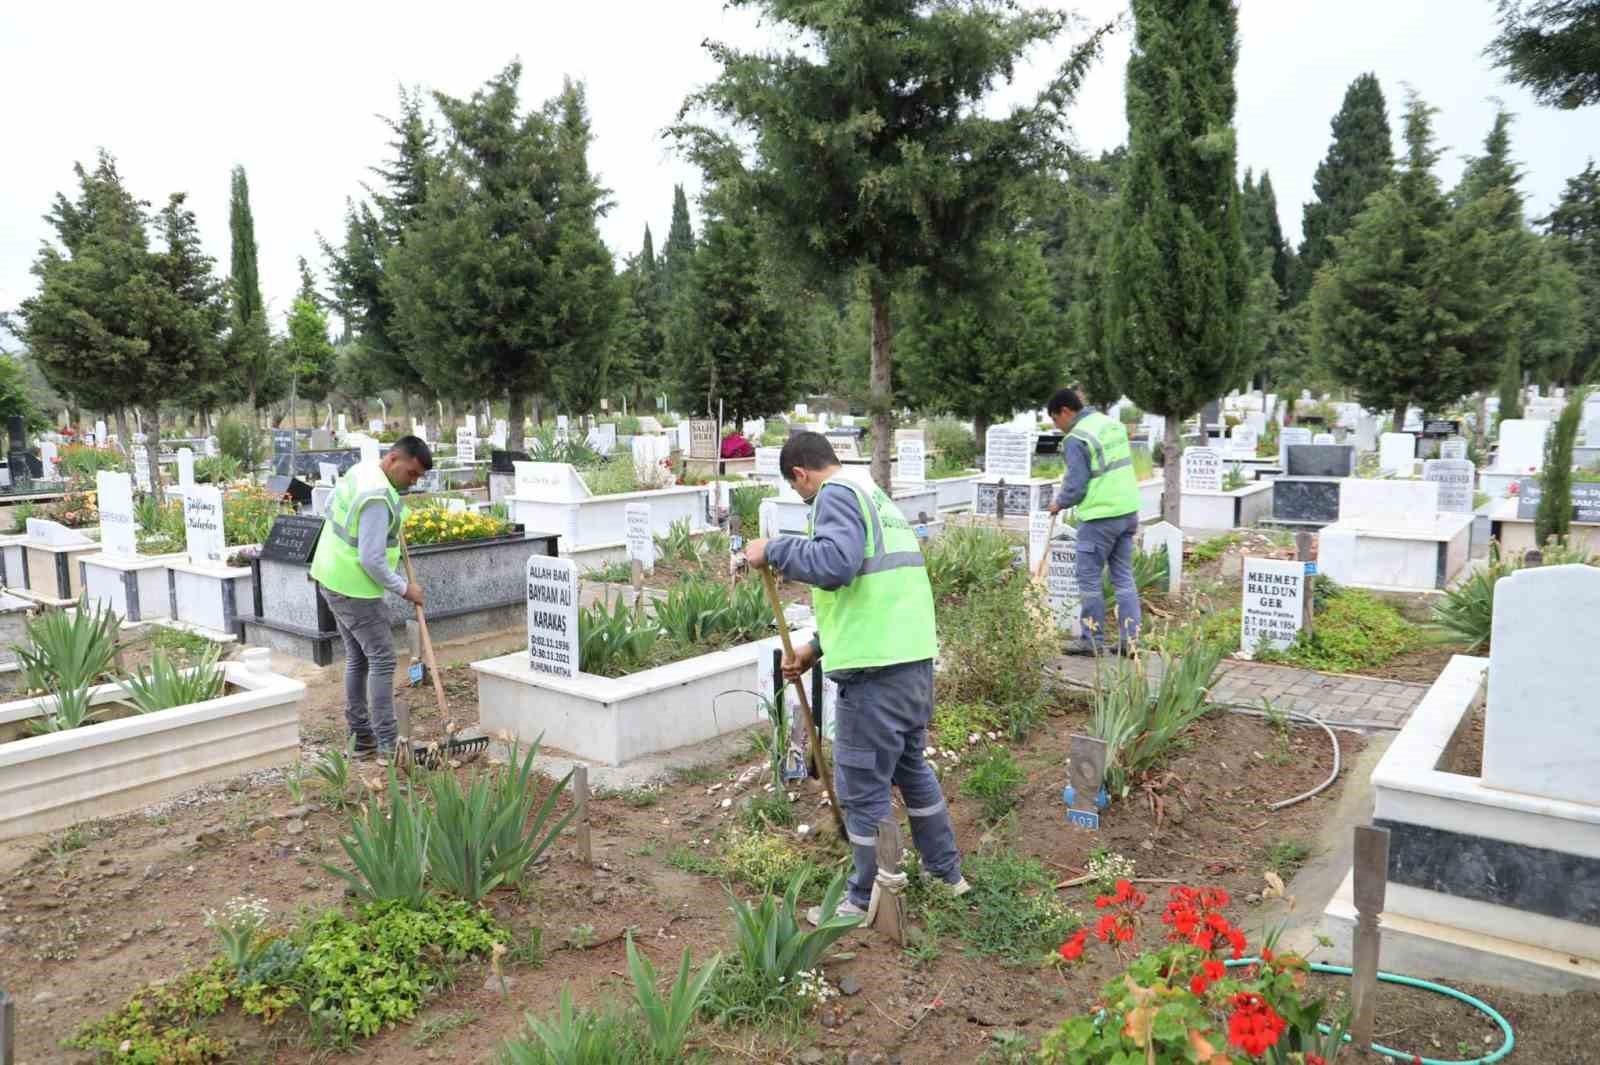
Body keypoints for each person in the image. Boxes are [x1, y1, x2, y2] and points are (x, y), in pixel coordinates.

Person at [746, 431, 968, 925]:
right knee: (911, 770)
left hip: (876, 676)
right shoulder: (875, 496)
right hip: (910, 661)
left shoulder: (834, 495)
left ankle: (864, 898)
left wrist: (775, 549)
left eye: (797, 491)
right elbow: (872, 591)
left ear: (800, 475)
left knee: (862, 787)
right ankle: (946, 874)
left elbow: (835, 565)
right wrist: (813, 649)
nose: (804, 500)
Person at [309, 436, 433, 760]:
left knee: (359, 658)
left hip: (330, 573)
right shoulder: (377, 497)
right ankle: (389, 744)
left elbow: (331, 509)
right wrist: (406, 588)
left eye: (418, 477)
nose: (413, 481)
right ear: (393, 459)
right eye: (412, 473)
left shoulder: (364, 471)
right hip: (355, 588)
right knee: (382, 659)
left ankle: (360, 738)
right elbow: (371, 559)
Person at [1046, 386, 1143, 654]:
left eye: (1056, 419)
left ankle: (1092, 642)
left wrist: (1058, 503)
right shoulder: (1111, 425)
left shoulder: (1076, 438)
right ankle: (1130, 641)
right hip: (1127, 511)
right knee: (1123, 578)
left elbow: (1076, 485)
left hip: (1100, 516)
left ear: (1065, 411)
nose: (1058, 426)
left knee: (1089, 580)